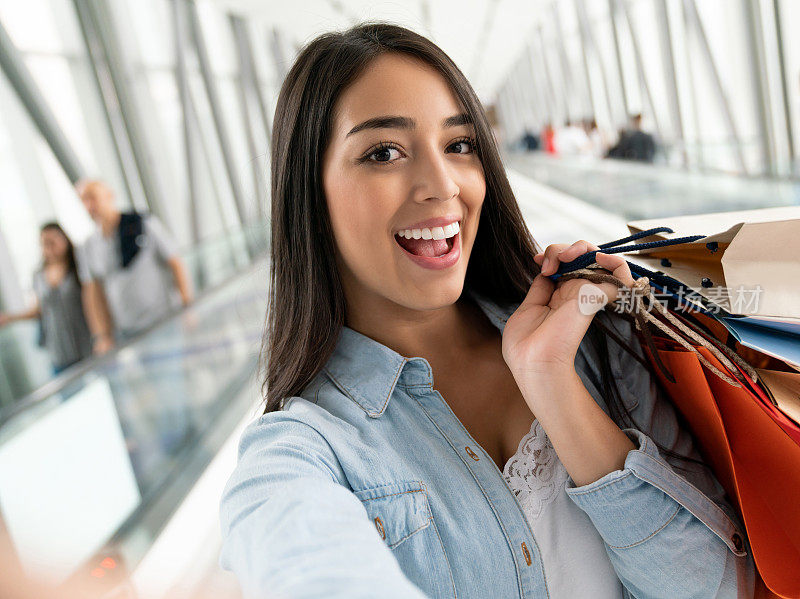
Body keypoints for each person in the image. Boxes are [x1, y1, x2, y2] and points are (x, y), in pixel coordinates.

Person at [218, 22, 755, 598]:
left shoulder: (593, 342)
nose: (441, 183)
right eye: (383, 152)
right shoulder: (303, 453)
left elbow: (721, 588)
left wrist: (551, 381)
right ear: (308, 192)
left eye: (459, 144)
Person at [74, 180, 193, 353]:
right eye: (84, 201)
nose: (89, 206)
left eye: (93, 197)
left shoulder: (144, 224)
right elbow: (93, 293)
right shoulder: (88, 247)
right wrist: (103, 335)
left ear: (110, 196)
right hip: (127, 332)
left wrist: (187, 306)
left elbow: (175, 262)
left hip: (163, 320)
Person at [0, 223, 92, 375]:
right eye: (44, 244)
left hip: (86, 345)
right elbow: (38, 310)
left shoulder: (79, 266)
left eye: (52, 242)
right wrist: (10, 318)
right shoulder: (38, 275)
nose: (49, 248)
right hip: (58, 352)